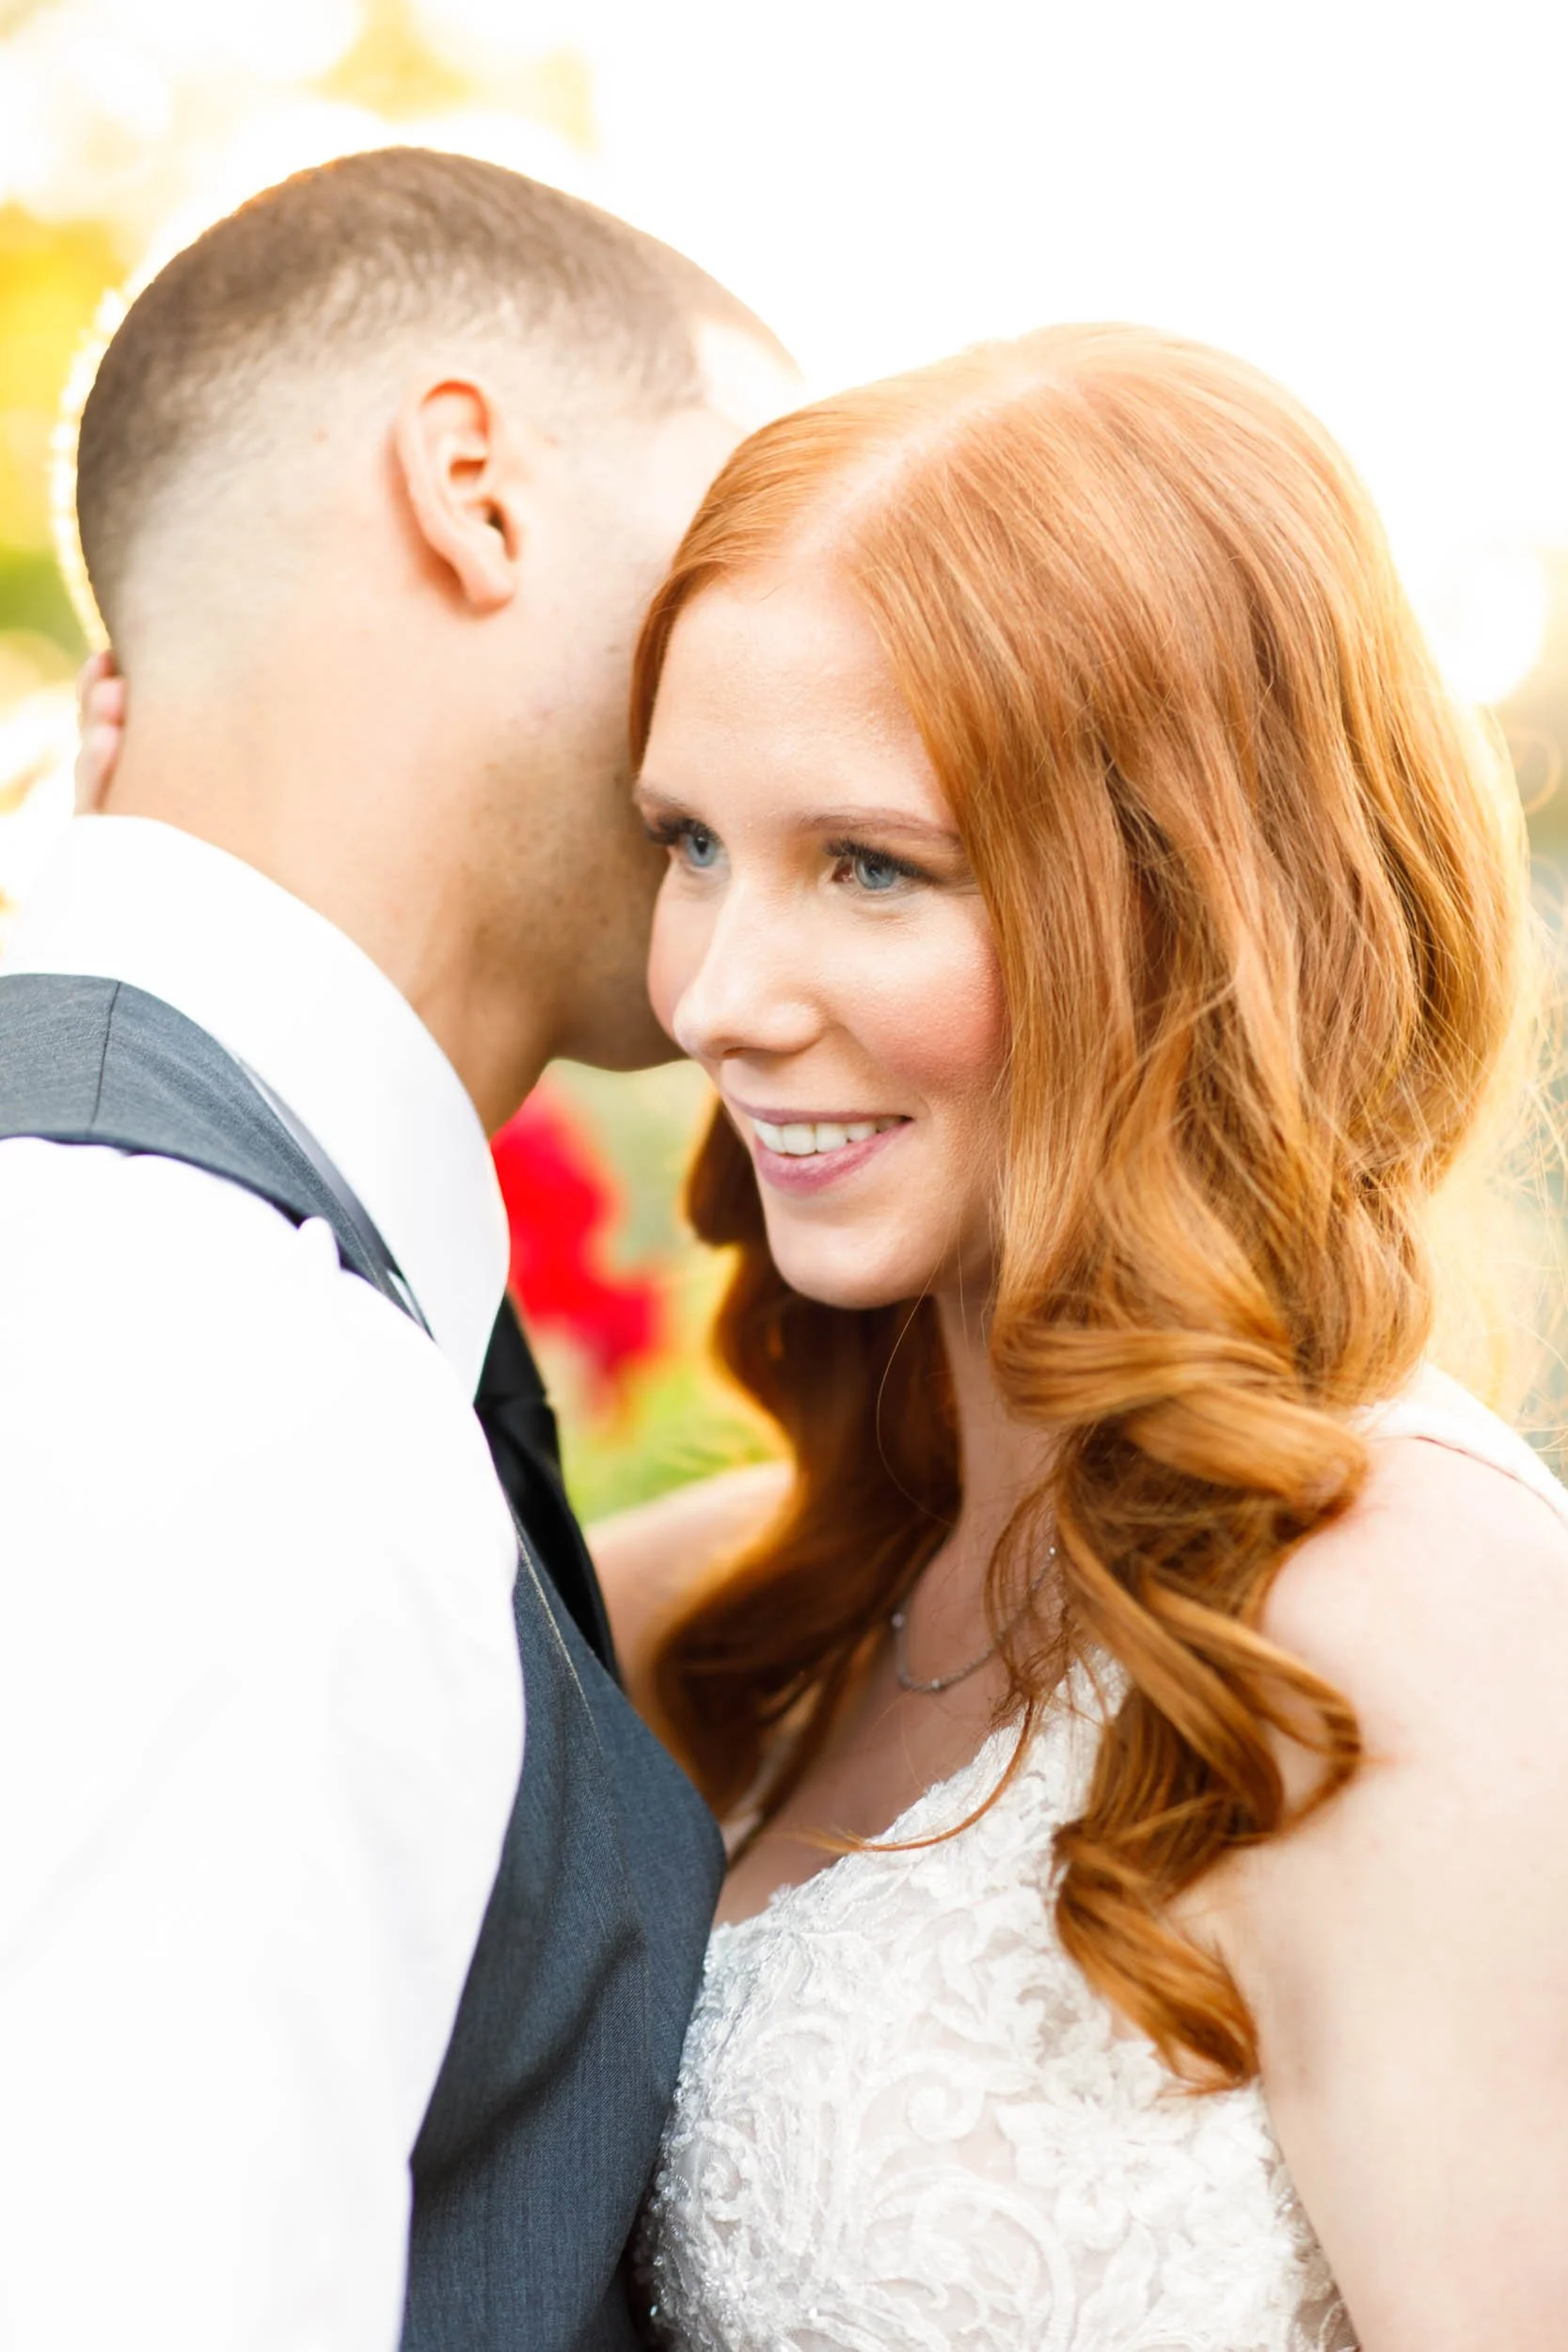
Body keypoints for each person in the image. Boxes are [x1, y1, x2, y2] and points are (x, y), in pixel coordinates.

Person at [587, 325, 1568, 2349]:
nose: (716, 992)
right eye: (690, 844)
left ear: (1181, 910)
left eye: (869, 865)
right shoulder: (756, 1602)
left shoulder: (1406, 1618)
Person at [0, 147, 799, 2352]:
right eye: (740, 523)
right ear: (474, 486)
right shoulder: (210, 1361)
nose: (824, 636)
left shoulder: (184, 1284)